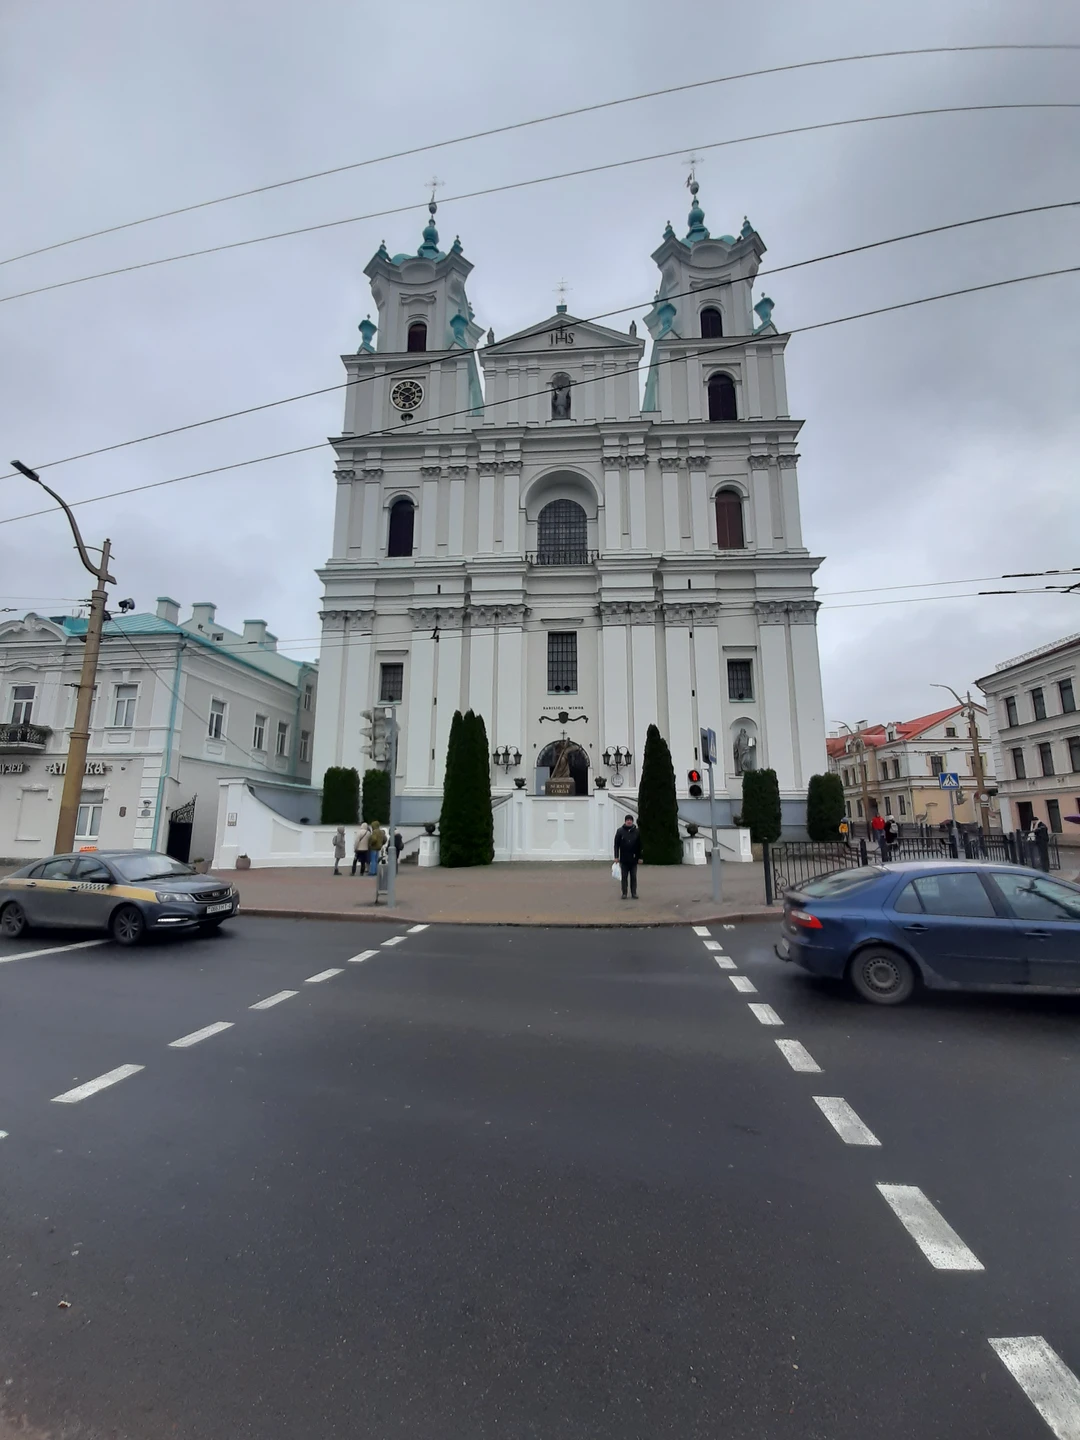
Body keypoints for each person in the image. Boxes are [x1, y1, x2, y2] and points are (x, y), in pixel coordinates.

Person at [613, 813, 641, 900]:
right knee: (624, 877)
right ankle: (624, 893)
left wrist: (640, 857)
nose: (629, 821)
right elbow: (616, 845)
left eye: (630, 820)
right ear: (625, 821)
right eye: (627, 820)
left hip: (633, 859)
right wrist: (616, 857)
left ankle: (634, 893)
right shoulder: (620, 831)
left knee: (633, 877)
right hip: (624, 859)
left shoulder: (637, 831)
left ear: (632, 821)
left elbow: (640, 845)